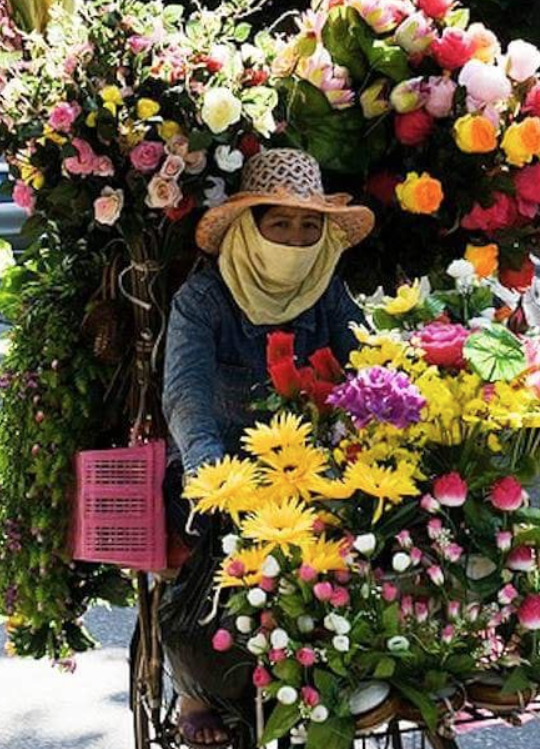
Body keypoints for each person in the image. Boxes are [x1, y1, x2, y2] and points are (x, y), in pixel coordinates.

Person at [157, 148, 375, 748]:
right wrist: (215, 478)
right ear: (250, 227)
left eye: (309, 225)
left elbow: (366, 372)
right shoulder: (202, 301)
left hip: (314, 467)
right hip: (220, 469)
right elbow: (187, 395)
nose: (296, 238)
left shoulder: (330, 293)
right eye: (280, 223)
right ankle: (195, 686)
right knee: (206, 540)